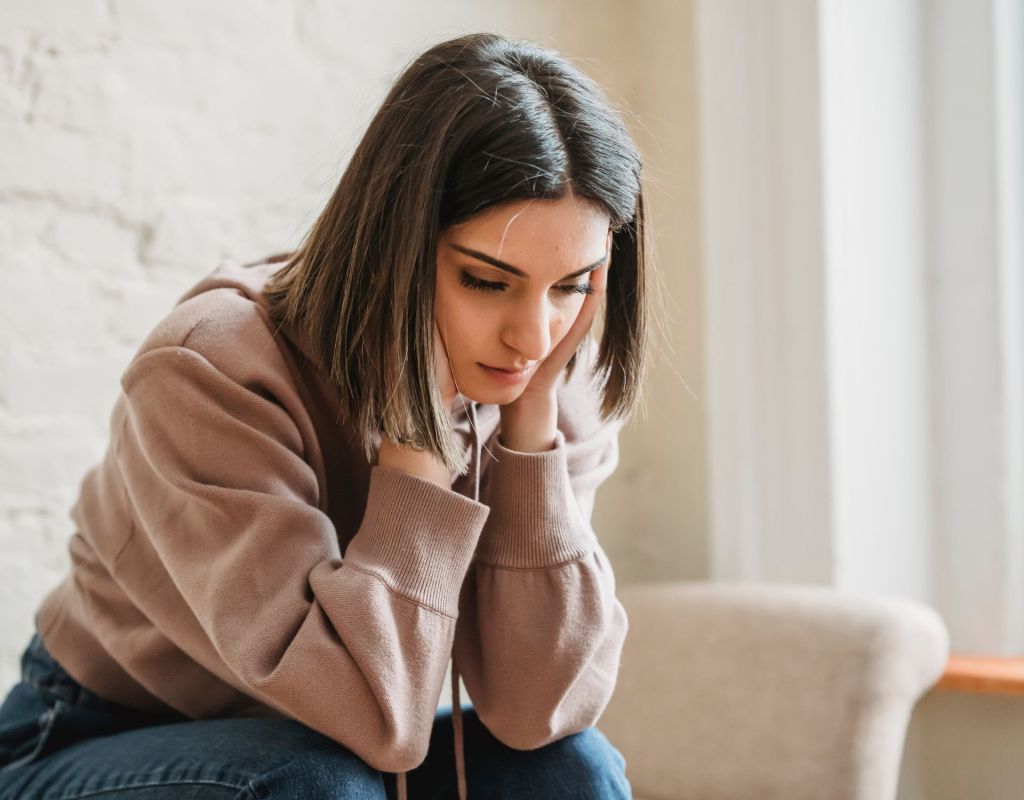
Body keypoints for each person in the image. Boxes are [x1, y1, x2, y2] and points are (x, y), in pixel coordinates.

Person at [0, 30, 648, 800]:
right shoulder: (212, 373)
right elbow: (372, 718)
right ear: (393, 244)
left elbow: (538, 711)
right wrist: (418, 447)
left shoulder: (547, 384)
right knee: (314, 784)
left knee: (576, 772)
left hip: (344, 745)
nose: (534, 337)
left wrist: (534, 437)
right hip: (101, 734)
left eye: (571, 285)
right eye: (486, 280)